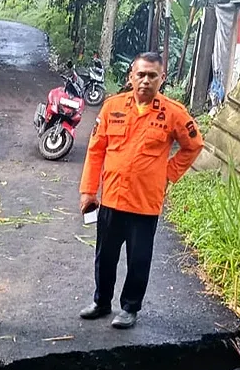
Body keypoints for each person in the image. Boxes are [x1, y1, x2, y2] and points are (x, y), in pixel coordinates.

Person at [77, 52, 205, 329]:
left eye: (152, 75)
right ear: (131, 76)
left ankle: (130, 308)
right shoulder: (112, 107)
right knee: (105, 257)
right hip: (111, 198)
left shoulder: (173, 113)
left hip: (145, 204)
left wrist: (168, 174)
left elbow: (193, 145)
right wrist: (88, 191)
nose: (146, 81)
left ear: (162, 78)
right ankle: (101, 302)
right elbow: (96, 150)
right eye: (141, 74)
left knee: (139, 259)